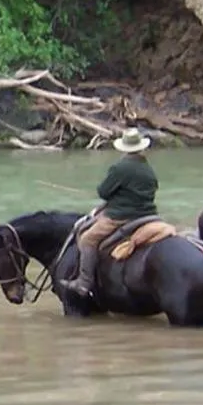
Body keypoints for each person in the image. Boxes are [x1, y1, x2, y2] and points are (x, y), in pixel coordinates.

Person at [58, 127, 159, 298]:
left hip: (121, 217)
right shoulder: (147, 168)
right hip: (148, 214)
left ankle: (84, 282)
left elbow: (104, 192)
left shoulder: (120, 167)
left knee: (87, 239)